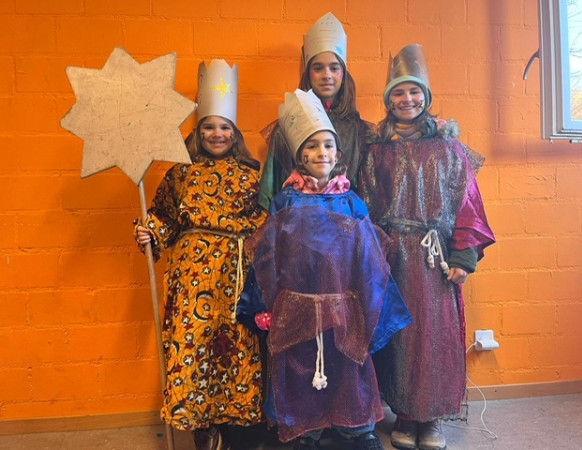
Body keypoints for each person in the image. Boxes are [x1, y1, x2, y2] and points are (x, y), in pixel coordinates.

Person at [237, 89, 412, 450]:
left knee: (348, 365)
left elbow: (368, 259)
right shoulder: (286, 201)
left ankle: (355, 428)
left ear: (338, 154)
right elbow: (269, 256)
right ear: (299, 155)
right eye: (312, 146)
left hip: (343, 305)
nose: (321, 153)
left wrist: (373, 305)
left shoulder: (351, 201)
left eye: (328, 146)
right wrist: (262, 304)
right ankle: (305, 431)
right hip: (297, 305)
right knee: (299, 365)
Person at [358, 44, 496, 450]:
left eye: (414, 91)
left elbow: (468, 204)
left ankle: (431, 417)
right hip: (391, 256)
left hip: (435, 260)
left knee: (434, 338)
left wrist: (463, 256)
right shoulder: (376, 150)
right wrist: (371, 255)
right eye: (398, 93)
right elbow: (364, 204)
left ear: (426, 96)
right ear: (388, 100)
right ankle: (404, 414)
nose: (407, 100)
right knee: (399, 338)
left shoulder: (449, 149)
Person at [134, 60, 267, 450]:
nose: (216, 134)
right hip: (191, 274)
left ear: (235, 133)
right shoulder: (181, 173)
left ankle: (233, 425)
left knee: (235, 345)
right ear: (197, 130)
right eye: (209, 126)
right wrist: (151, 231)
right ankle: (201, 426)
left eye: (224, 127)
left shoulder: (251, 174)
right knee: (193, 344)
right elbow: (164, 215)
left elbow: (263, 219)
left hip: (236, 273)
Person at [258, 12, 374, 210]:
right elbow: (271, 194)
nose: (326, 75)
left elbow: (368, 196)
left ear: (343, 74)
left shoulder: (359, 132)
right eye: (318, 68)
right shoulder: (285, 130)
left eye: (334, 68)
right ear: (308, 73)